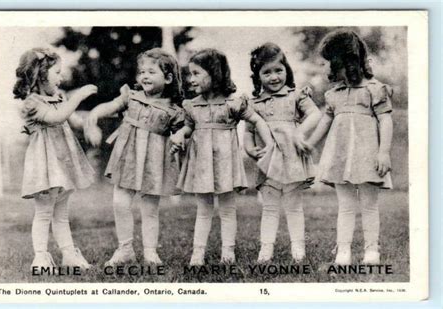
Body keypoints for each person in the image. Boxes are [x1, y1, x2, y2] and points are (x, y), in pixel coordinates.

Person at [170, 48, 273, 266]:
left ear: (215, 73)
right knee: (203, 209)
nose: (191, 79)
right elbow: (188, 128)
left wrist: (269, 143)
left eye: (197, 73)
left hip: (226, 164)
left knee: (228, 209)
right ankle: (197, 254)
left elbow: (258, 121)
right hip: (201, 165)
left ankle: (228, 253)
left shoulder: (233, 103)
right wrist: (179, 135)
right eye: (190, 74)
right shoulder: (192, 105)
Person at [84, 48, 185, 265]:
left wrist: (180, 139)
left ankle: (150, 252)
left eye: (151, 72)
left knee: (150, 208)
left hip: (155, 161)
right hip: (128, 158)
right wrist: (93, 117)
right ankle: (125, 248)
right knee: (120, 202)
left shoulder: (175, 110)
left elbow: (182, 133)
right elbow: (109, 107)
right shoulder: (131, 97)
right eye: (141, 72)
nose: (144, 76)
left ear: (168, 78)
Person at [304, 30, 393, 265]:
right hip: (341, 158)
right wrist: (311, 143)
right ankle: (343, 251)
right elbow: (326, 120)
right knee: (345, 206)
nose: (325, 68)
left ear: (343, 61)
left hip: (368, 156)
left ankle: (371, 251)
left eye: (327, 62)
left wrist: (383, 152)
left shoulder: (374, 89)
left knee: (369, 204)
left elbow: (385, 119)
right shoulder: (334, 95)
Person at [13, 47, 97, 271]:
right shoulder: (32, 103)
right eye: (57, 72)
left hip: (62, 165)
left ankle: (68, 254)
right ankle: (40, 257)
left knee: (61, 213)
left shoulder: (59, 98)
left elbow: (75, 120)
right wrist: (79, 95)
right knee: (43, 212)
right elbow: (57, 117)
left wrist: (90, 124)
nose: (61, 77)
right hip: (45, 166)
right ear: (41, 74)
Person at [244, 42, 321, 263]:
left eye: (278, 70)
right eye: (266, 72)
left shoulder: (296, 96)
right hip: (268, 163)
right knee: (269, 208)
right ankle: (265, 250)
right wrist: (249, 148)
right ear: (257, 76)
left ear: (287, 70)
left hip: (292, 160)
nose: (274, 77)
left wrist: (300, 133)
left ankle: (298, 249)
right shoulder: (254, 104)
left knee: (294, 207)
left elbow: (315, 115)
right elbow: (248, 131)